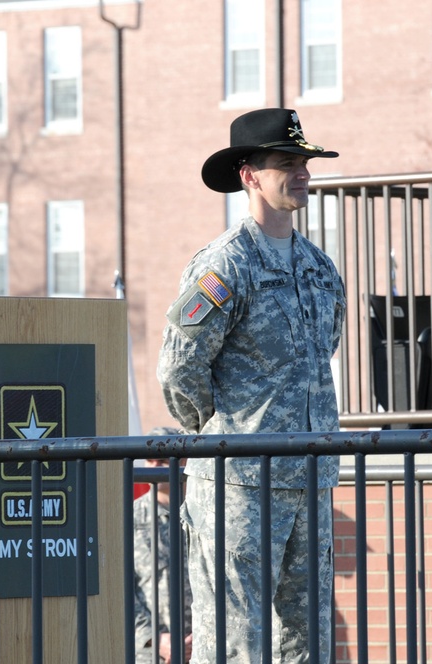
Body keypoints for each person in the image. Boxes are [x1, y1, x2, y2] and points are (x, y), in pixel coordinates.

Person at [156, 108, 346, 663]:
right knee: (235, 641)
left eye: (305, 162)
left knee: (307, 640)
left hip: (309, 476)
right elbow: (179, 367)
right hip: (239, 482)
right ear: (250, 175)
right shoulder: (224, 266)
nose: (303, 173)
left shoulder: (319, 268)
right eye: (287, 163)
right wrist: (225, 434)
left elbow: (321, 352)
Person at [134, 426, 193, 664]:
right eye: (150, 460)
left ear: (184, 463)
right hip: (150, 653)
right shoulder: (128, 517)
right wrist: (157, 640)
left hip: (208, 647)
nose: (155, 467)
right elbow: (119, 588)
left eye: (162, 460)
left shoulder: (208, 517)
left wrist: (202, 637)